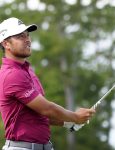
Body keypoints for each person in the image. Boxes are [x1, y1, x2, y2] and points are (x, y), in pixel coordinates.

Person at [0, 17, 96, 150]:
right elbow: (47, 109)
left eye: (27, 35)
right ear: (6, 44)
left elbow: (40, 113)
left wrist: (66, 123)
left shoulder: (28, 71)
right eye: (20, 37)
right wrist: (75, 117)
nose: (27, 39)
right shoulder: (12, 74)